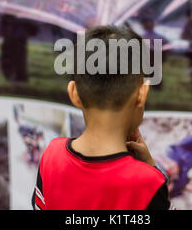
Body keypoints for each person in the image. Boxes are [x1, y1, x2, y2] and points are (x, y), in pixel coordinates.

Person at [32, 26, 171, 210]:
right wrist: (151, 169)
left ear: (74, 93)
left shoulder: (51, 156)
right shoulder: (148, 184)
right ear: (141, 94)